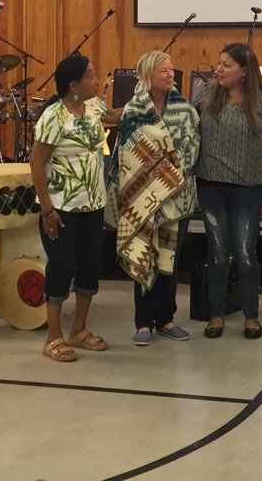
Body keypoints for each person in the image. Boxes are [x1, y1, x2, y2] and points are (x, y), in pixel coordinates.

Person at [195, 43, 262, 339]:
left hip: (247, 188)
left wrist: (254, 158)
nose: (219, 69)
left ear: (244, 71)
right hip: (210, 186)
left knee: (246, 252)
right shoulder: (206, 95)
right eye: (219, 63)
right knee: (218, 252)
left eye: (227, 65)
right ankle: (216, 314)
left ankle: (251, 315)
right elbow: (189, 130)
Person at [30, 56, 113, 363]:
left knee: (90, 265)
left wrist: (148, 99)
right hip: (61, 208)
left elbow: (114, 115)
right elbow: (36, 163)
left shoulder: (92, 107)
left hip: (93, 204)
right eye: (91, 76)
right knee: (61, 267)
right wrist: (47, 210)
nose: (97, 80)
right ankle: (53, 336)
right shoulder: (54, 116)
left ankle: (78, 329)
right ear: (73, 85)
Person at [115, 50, 199, 345]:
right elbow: (124, 153)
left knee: (168, 260)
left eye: (172, 70)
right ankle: (143, 322)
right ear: (148, 75)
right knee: (144, 254)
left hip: (177, 198)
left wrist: (168, 180)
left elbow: (192, 149)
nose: (171, 75)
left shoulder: (185, 111)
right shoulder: (133, 111)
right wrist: (151, 184)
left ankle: (166, 319)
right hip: (142, 199)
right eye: (164, 71)